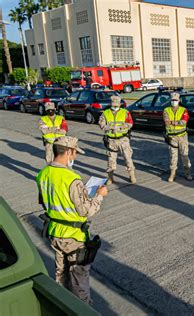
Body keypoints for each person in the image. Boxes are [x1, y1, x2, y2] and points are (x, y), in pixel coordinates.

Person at [36, 136, 108, 304]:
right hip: (73, 237)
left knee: (61, 275)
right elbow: (87, 210)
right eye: (74, 153)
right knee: (79, 279)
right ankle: (83, 310)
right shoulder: (72, 179)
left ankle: (63, 305)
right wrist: (99, 195)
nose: (75, 157)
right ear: (68, 152)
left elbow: (46, 202)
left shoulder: (42, 174)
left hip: (55, 232)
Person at [99, 95, 136, 184]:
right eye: (113, 104)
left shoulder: (125, 112)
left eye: (117, 104)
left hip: (123, 139)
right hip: (111, 140)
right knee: (111, 160)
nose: (115, 106)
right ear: (111, 104)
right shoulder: (105, 113)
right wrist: (111, 127)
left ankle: (132, 175)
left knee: (128, 158)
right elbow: (101, 125)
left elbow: (130, 123)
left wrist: (120, 127)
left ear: (119, 104)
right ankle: (110, 177)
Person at [163, 92, 192, 182]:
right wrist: (176, 122)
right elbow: (166, 122)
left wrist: (173, 122)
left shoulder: (184, 110)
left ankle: (188, 173)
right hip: (172, 137)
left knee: (185, 155)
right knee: (173, 156)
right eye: (172, 100)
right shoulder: (166, 110)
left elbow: (184, 122)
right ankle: (172, 174)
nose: (174, 101)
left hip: (182, 136)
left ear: (179, 100)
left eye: (175, 100)